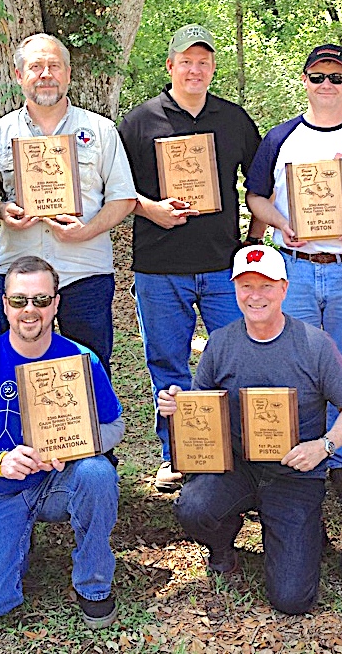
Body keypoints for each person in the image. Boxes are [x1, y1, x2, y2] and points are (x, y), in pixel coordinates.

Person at [158, 245, 342, 614]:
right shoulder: (221, 343)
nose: (256, 296)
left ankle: (300, 526)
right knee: (193, 506)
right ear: (234, 288)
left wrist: (324, 446)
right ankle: (223, 548)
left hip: (295, 472)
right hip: (237, 466)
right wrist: (178, 406)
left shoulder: (314, 345)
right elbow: (204, 407)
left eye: (266, 285)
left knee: (292, 599)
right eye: (246, 285)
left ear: (284, 288)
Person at [0, 256, 123, 628]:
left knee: (97, 473)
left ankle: (94, 583)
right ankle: (15, 541)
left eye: (40, 300)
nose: (30, 311)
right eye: (19, 300)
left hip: (61, 481)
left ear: (56, 303)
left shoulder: (82, 361)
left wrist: (76, 446)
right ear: (4, 305)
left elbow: (114, 426)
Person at [119, 24, 264, 492]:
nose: (195, 69)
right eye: (186, 61)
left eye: (203, 61)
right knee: (168, 362)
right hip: (160, 268)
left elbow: (259, 184)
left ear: (212, 67)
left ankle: (240, 447)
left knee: (236, 358)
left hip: (224, 265)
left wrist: (251, 242)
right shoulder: (140, 122)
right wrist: (149, 208)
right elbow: (116, 190)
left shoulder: (233, 119)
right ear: (171, 67)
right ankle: (176, 452)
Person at [244, 44, 342, 502]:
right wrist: (283, 224)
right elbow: (256, 197)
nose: (327, 84)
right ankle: (298, 453)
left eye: (336, 75)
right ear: (304, 81)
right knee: (296, 362)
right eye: (317, 75)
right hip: (296, 268)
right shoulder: (280, 138)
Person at [0, 33, 136, 377]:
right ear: (19, 75)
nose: (45, 74)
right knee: (17, 371)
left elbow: (123, 197)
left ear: (67, 73)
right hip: (19, 278)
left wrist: (87, 230)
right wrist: (2, 210)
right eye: (35, 66)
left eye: (54, 66)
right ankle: (19, 433)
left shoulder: (100, 130)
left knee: (91, 371)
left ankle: (93, 431)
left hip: (86, 273)